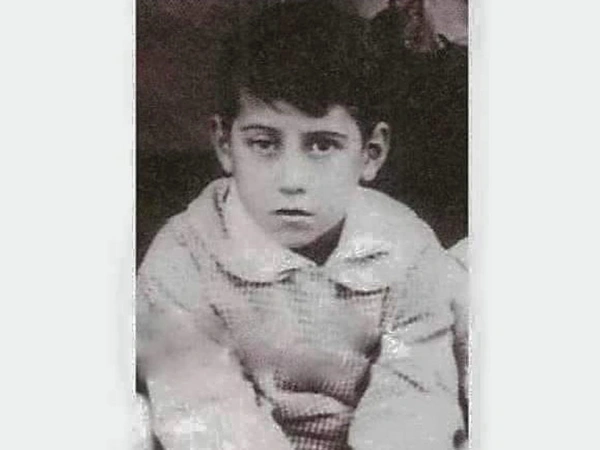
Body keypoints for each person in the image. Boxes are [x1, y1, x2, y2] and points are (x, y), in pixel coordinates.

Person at [136, 2, 466, 449]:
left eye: (322, 146)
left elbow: (414, 400)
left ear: (370, 154)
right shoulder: (181, 258)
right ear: (224, 145)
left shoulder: (407, 250)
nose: (292, 180)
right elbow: (204, 410)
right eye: (264, 144)